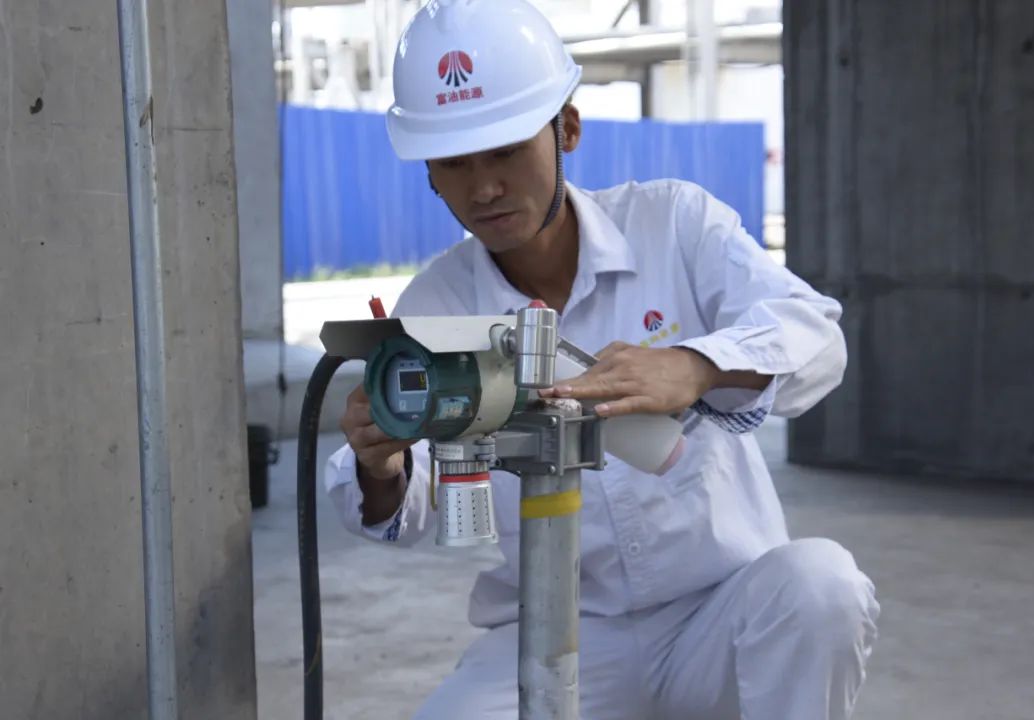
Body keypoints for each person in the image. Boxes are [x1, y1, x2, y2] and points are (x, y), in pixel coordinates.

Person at [325, 1, 880, 718]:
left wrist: (697, 366)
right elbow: (410, 503)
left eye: (506, 150)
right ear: (428, 171)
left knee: (822, 588)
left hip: (721, 612)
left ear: (567, 129)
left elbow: (816, 336)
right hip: (559, 624)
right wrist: (382, 466)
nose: (484, 187)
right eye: (455, 163)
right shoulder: (435, 306)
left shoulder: (674, 225)